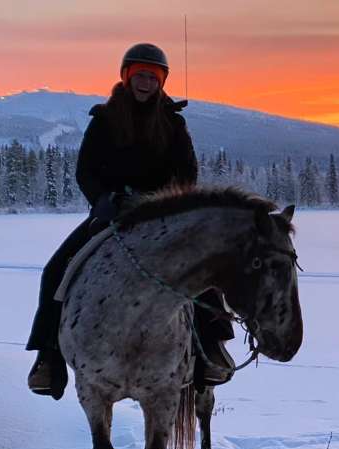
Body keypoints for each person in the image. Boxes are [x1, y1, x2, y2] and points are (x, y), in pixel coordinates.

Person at [26, 43, 236, 399]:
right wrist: (104, 201)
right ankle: (49, 357)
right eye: (139, 74)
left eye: (152, 77)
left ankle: (211, 350)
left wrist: (166, 204)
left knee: (203, 275)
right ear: (126, 76)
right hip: (113, 217)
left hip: (160, 219)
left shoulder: (173, 123)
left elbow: (187, 175)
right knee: (56, 269)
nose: (145, 82)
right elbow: (86, 171)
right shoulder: (104, 120)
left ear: (161, 82)